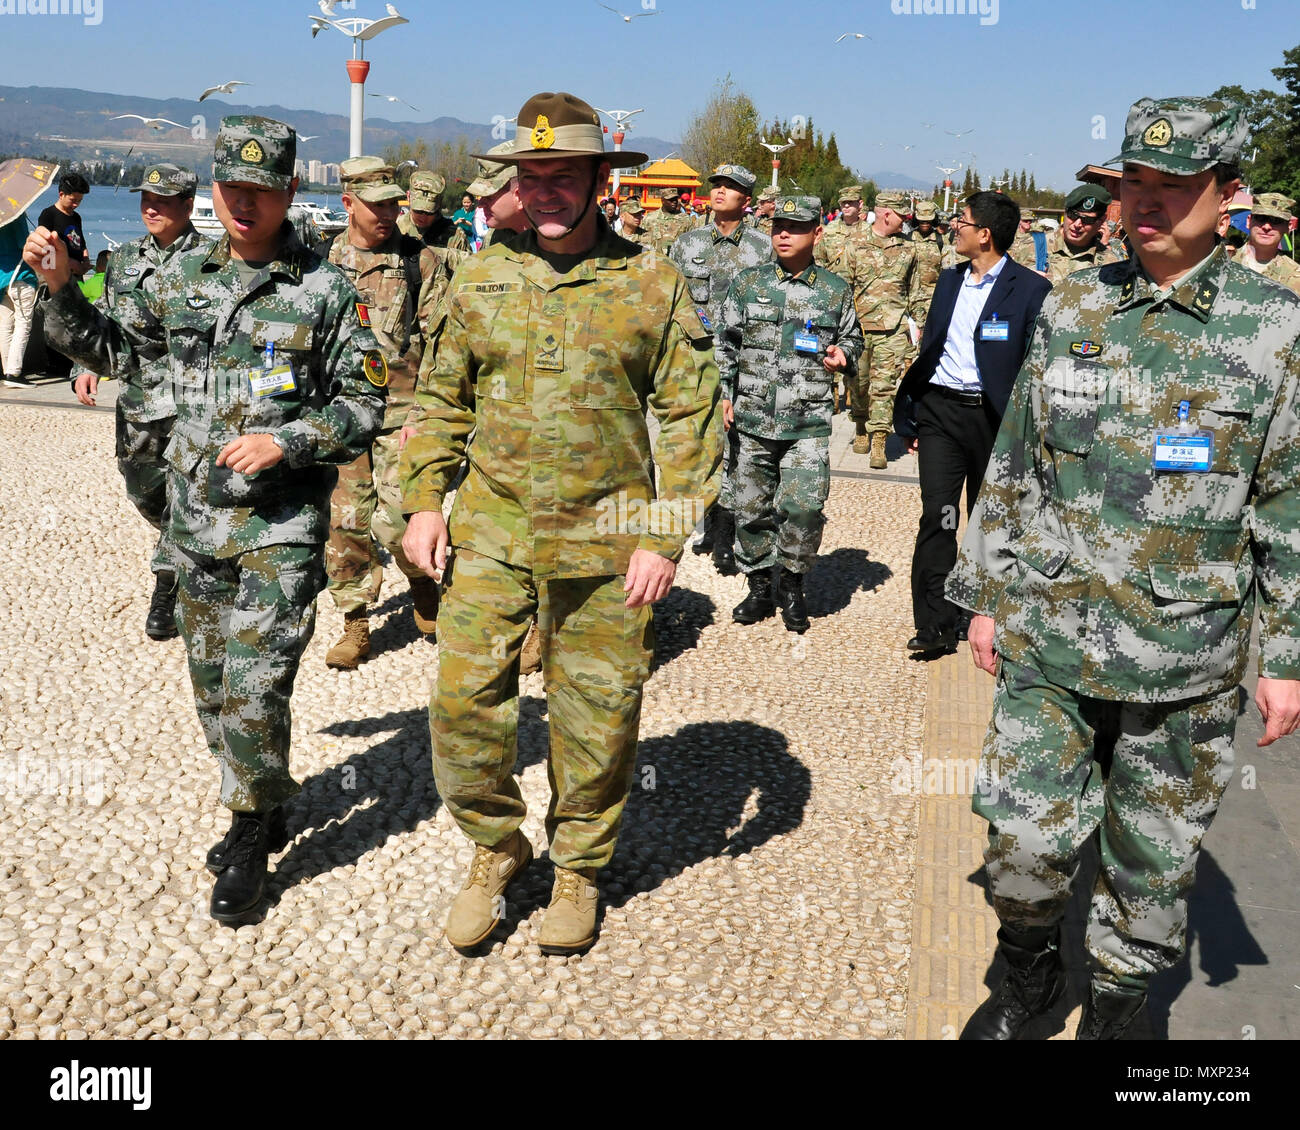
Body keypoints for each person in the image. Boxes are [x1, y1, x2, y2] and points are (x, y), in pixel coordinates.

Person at [948, 96, 1300, 1040]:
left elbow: (1289, 503)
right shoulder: (1073, 302)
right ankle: (1028, 962)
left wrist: (1287, 656)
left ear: (1226, 196)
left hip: (1182, 659)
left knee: (1151, 871)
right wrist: (983, 592)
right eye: (1131, 184)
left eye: (1171, 187)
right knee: (1020, 847)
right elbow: (1018, 457)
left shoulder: (1277, 331)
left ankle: (1116, 1004)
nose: (1144, 205)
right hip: (1050, 635)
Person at [26, 116, 386, 925]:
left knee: (257, 689)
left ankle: (250, 830)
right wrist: (57, 290)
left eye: (261, 190)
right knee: (213, 689)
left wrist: (289, 440)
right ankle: (262, 793)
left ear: (291, 191)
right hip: (193, 525)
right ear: (213, 188)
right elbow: (121, 355)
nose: (243, 204)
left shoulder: (323, 292)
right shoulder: (181, 273)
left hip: (277, 532)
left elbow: (364, 401)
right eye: (230, 189)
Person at [400, 91, 721, 956]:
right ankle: (496, 849)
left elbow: (692, 416)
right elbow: (439, 400)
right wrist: (424, 500)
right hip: (493, 536)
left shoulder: (648, 281)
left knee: (597, 720)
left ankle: (577, 868)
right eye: (529, 174)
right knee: (464, 711)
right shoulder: (480, 276)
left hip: (606, 545)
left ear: (596, 180)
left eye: (561, 174)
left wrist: (664, 534)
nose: (542, 190)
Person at [894, 191, 1051, 654]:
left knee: (993, 521)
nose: (952, 227)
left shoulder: (1030, 290)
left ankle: (986, 615)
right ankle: (935, 624)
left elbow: (1032, 366)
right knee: (939, 518)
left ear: (985, 233)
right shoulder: (949, 281)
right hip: (941, 415)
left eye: (960, 220)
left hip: (994, 421)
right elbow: (933, 345)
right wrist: (917, 414)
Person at [71, 163, 210, 642]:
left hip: (194, 405)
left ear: (188, 205)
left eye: (164, 199)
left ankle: (168, 586)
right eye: (145, 198)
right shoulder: (126, 259)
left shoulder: (215, 262)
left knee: (187, 497)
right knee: (145, 493)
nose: (151, 206)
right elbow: (104, 319)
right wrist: (84, 365)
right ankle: (183, 552)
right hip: (138, 404)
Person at [321, 157, 448, 669]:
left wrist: (433, 413)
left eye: (394, 203)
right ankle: (355, 623)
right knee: (345, 522)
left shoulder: (420, 262)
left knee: (399, 519)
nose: (390, 214)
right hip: (340, 416)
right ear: (348, 203)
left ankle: (420, 579)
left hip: (404, 415)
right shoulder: (318, 265)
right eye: (378, 205)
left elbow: (445, 343)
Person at [718, 195, 862, 633]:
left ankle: (794, 584)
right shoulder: (747, 284)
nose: (783, 233)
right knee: (751, 507)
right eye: (778, 225)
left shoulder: (834, 290)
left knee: (803, 508)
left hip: (808, 422)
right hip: (752, 418)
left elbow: (853, 340)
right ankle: (760, 583)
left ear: (816, 233)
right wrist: (724, 396)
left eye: (795, 227)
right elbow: (725, 344)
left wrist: (843, 356)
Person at [669, 163, 772, 576]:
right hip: (696, 363)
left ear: (746, 201)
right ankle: (707, 523)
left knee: (737, 447)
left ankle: (727, 533)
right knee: (698, 444)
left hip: (747, 364)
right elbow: (670, 301)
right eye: (716, 186)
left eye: (729, 187)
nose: (719, 192)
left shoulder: (763, 249)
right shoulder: (688, 243)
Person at [842, 189, 917, 467]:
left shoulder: (909, 249)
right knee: (859, 385)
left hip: (893, 328)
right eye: (901, 215)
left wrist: (917, 325)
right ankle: (861, 425)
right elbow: (842, 287)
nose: (905, 221)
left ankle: (879, 441)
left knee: (884, 388)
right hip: (859, 330)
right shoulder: (855, 244)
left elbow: (916, 290)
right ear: (887, 214)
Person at [1043, 184, 1123, 286]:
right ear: (1065, 212)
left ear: (1101, 221)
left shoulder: (1108, 263)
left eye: (1087, 220)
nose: (1077, 224)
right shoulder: (1031, 245)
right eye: (1073, 215)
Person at [398, 169, 471, 267]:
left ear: (440, 203)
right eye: (418, 211)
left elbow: (469, 269)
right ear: (408, 196)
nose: (423, 217)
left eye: (429, 212)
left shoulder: (455, 236)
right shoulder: (395, 228)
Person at [0, 212, 39, 387]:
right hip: (20, 275)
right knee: (23, 323)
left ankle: (7, 369)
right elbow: (23, 245)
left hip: (2, 278)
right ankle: (13, 372)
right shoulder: (15, 214)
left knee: (5, 326)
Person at [1235, 192, 1300, 294]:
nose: (1267, 227)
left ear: (1289, 227)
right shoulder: (1223, 260)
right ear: (1249, 221)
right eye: (1261, 218)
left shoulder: (1295, 276)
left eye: (1276, 220)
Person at [38, 172, 92, 281]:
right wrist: (72, 263)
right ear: (61, 194)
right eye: (73, 200)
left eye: (79, 201)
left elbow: (81, 244)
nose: (76, 204)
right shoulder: (48, 214)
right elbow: (46, 249)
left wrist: (86, 260)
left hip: (77, 277)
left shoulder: (76, 217)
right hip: (58, 277)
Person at [815, 185, 868, 272]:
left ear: (860, 204)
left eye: (851, 202)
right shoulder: (829, 230)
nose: (846, 205)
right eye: (843, 202)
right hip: (833, 281)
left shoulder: (869, 231)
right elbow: (819, 259)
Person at [643, 185, 695, 257]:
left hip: (677, 262)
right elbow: (642, 242)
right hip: (654, 262)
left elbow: (692, 242)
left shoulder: (686, 219)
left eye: (676, 199)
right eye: (670, 199)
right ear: (663, 200)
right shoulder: (650, 218)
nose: (674, 202)